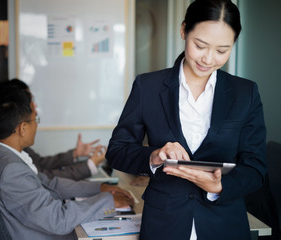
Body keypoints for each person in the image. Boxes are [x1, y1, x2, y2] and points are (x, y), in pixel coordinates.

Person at [105, 0, 267, 239]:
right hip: (164, 222)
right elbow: (117, 150)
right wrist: (153, 155)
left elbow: (255, 167)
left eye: (222, 50)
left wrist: (220, 187)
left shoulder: (245, 93)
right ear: (184, 31)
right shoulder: (148, 87)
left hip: (224, 224)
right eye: (200, 45)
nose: (208, 59)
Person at [0, 79, 134, 240]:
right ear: (23, 128)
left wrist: (99, 188)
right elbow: (58, 220)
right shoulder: (10, 170)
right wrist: (107, 202)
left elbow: (51, 184)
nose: (37, 126)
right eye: (36, 120)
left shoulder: (3, 156)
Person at [0, 79, 106, 181]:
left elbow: (40, 164)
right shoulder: (7, 157)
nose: (34, 106)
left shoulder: (4, 140)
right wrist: (90, 166)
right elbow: (45, 179)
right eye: (31, 102)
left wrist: (75, 154)